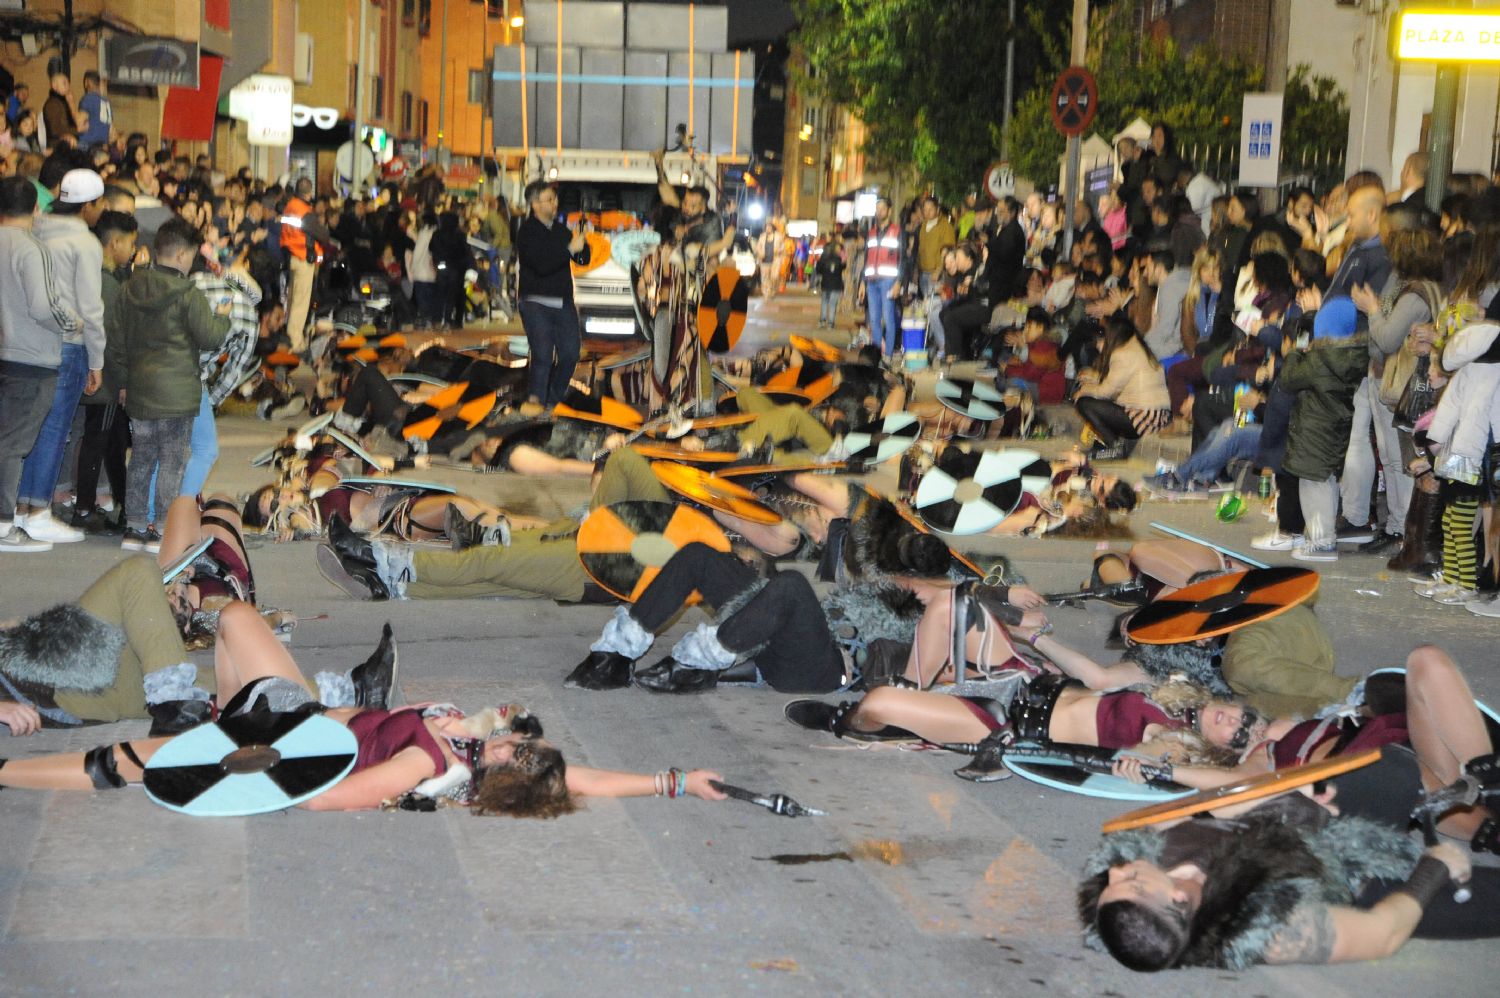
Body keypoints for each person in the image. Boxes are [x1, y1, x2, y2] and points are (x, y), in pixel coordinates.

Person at [0, 601, 730, 816]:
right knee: (230, 618)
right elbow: (584, 781)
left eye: (522, 753)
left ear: (504, 774)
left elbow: (325, 799)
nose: (520, 740)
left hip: (277, 733)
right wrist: (673, 781)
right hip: (292, 707)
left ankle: (4, 772)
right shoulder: (469, 748)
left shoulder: (433, 763)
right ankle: (189, 709)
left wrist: (245, 766)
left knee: (120, 768)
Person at [1080, 745, 1493, 970]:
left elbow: (1223, 801)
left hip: (1302, 830)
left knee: (1392, 766)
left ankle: (1453, 811)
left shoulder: (1147, 850)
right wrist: (1435, 866)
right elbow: (1380, 934)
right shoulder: (1269, 933)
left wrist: (1292, 800)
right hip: (1357, 879)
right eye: (1131, 884)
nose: (1116, 872)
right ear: (1180, 901)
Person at [106, 217, 232, 552]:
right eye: (191, 255)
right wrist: (223, 314)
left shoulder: (129, 288)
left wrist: (122, 382)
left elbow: (115, 342)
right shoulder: (188, 294)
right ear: (181, 256)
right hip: (177, 394)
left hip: (140, 390)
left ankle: (134, 528)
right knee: (173, 460)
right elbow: (210, 338)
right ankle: (162, 527)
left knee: (142, 457)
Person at [15, 169, 106, 544]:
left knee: (27, 428)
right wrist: (98, 359)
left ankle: (18, 507)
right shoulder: (84, 243)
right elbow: (91, 307)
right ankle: (38, 510)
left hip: (27, 341)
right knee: (56, 428)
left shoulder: (33, 231)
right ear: (89, 206)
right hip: (70, 341)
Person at [0, 176, 81, 553]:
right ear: (35, 208)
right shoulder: (32, 249)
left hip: (5, 354)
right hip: (31, 357)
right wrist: (73, 322)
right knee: (14, 444)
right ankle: (3, 523)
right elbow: (42, 306)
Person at [515, 180, 590, 409]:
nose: (555, 203)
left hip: (563, 302)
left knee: (570, 353)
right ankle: (535, 400)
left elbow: (581, 259)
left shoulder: (561, 230)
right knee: (542, 354)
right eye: (549, 199)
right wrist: (569, 249)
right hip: (535, 301)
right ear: (535, 204)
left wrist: (582, 243)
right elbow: (541, 264)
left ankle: (553, 398)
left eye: (555, 199)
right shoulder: (527, 232)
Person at [1073, 316, 1171, 461]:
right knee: (1091, 398)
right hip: (1155, 414)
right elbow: (1118, 382)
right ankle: (1112, 445)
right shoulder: (1135, 346)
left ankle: (1116, 447)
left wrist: (1084, 390)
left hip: (1144, 417)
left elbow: (1106, 392)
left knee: (1084, 403)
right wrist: (1094, 379)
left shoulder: (1122, 354)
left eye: (1104, 335)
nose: (1101, 340)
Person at [279, 177, 338, 354]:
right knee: (300, 303)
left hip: (292, 257)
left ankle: (288, 337)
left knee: (292, 302)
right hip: (304, 259)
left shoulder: (289, 207)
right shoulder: (304, 211)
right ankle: (295, 342)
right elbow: (324, 236)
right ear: (309, 192)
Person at [862, 197, 904, 355]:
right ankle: (877, 354)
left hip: (888, 281)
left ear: (889, 211)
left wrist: (898, 283)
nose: (879, 212)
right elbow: (866, 258)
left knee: (888, 318)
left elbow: (903, 259)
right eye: (877, 209)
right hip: (871, 282)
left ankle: (887, 357)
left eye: (882, 209)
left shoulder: (898, 231)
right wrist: (862, 282)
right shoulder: (871, 232)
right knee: (873, 320)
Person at [815, 236, 846, 328]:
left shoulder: (823, 259)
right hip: (836, 284)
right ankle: (831, 323)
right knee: (833, 304)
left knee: (824, 302)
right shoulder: (839, 259)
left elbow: (818, 270)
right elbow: (843, 268)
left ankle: (822, 321)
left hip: (825, 283)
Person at [77, 70, 111, 149]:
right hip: (102, 147)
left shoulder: (87, 99)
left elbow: (80, 126)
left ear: (86, 82)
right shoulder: (106, 103)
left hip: (87, 146)